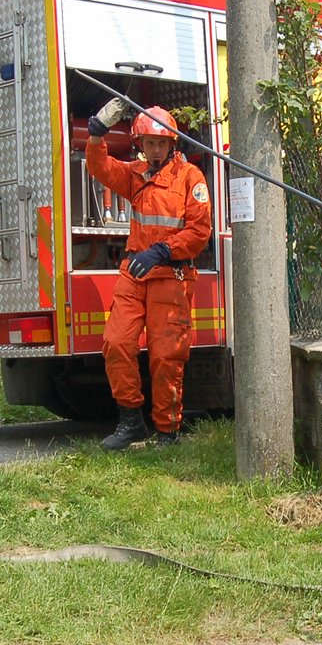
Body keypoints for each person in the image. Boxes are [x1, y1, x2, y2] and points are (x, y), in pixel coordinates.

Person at [85, 99, 212, 449]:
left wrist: (163, 251)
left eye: (161, 143)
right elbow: (99, 167)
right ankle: (130, 422)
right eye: (149, 143)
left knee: (165, 355)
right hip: (135, 274)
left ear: (172, 144)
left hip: (171, 277)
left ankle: (167, 431)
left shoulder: (191, 178)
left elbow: (200, 232)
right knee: (116, 342)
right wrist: (97, 133)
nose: (155, 150)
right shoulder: (136, 175)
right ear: (140, 145)